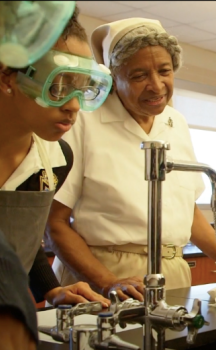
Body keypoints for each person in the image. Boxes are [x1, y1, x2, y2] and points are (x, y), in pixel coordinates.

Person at [47, 18, 216, 302]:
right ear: (114, 77)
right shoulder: (84, 121)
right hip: (103, 275)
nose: (156, 85)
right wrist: (108, 282)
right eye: (139, 76)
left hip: (172, 273)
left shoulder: (175, 123)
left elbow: (190, 216)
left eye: (164, 71)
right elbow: (55, 224)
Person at [0, 3, 112, 349]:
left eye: (82, 88)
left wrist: (50, 288)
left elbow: (24, 240)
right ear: (8, 77)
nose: (74, 105)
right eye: (60, 86)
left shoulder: (55, 159)